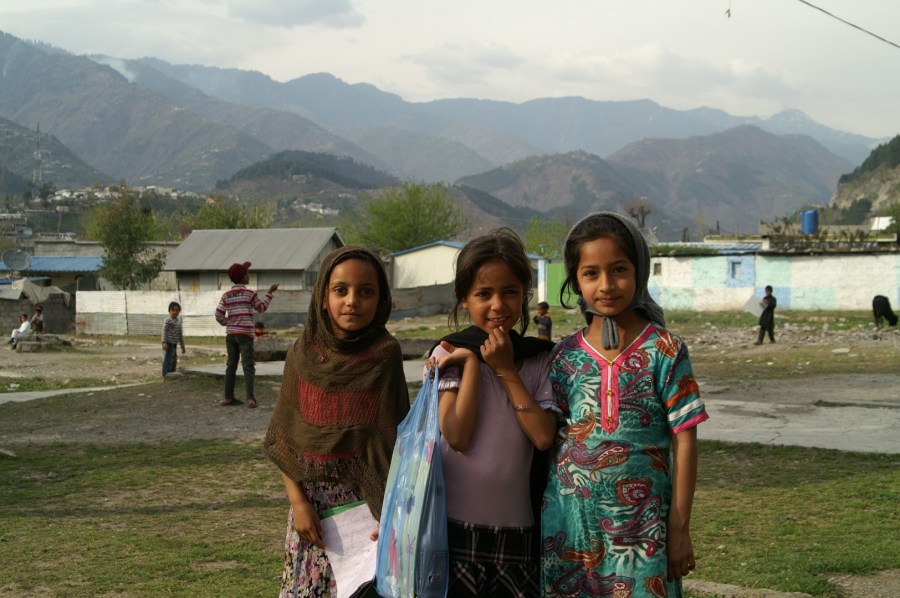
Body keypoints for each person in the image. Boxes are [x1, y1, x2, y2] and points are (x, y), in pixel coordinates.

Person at [541, 212, 709, 597]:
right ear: (575, 280)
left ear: (639, 272)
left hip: (645, 532)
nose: (606, 285)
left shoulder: (665, 350)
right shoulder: (563, 357)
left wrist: (679, 528)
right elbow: (548, 440)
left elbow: (685, 441)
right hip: (570, 526)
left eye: (619, 270)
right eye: (591, 273)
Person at [262, 246, 409, 598]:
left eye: (366, 291)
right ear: (323, 298)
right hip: (312, 511)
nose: (352, 301)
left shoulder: (385, 356)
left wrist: (388, 514)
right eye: (340, 290)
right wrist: (299, 504)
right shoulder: (303, 355)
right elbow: (285, 441)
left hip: (369, 509)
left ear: (381, 300)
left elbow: (394, 444)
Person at [427, 227, 556, 597]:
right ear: (464, 299)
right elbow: (457, 435)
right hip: (452, 530)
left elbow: (543, 437)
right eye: (484, 294)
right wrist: (470, 363)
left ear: (524, 296)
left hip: (518, 534)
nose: (498, 305)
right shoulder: (449, 353)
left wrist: (504, 370)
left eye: (509, 292)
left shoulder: (537, 359)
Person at [215, 261, 279, 408]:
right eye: (247, 274)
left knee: (231, 365)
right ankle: (250, 399)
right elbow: (261, 307)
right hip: (245, 335)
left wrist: (228, 322)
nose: (249, 276)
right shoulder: (250, 294)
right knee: (248, 366)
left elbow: (218, 314)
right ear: (243, 278)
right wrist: (269, 293)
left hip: (231, 335)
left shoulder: (226, 295)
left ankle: (228, 397)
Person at [161, 301, 185, 377]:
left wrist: (182, 346)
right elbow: (164, 332)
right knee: (167, 359)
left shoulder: (178, 322)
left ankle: (172, 373)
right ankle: (165, 374)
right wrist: (164, 342)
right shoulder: (167, 321)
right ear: (169, 311)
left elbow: (180, 335)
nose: (175, 312)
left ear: (179, 311)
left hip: (174, 344)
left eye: (177, 310)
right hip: (168, 344)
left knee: (174, 359)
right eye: (173, 310)